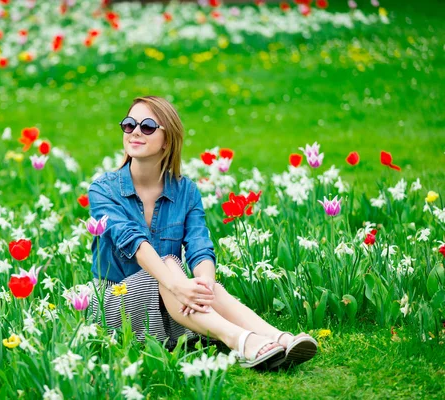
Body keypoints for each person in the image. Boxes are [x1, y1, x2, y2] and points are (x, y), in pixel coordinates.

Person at [87, 96, 317, 369]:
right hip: (114, 300)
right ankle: (241, 340)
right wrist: (177, 284)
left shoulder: (186, 191)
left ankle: (277, 337)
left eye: (147, 126)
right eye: (129, 124)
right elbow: (132, 241)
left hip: (173, 298)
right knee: (169, 264)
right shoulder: (103, 189)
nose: (135, 131)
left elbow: (199, 246)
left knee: (200, 281)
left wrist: (204, 285)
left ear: (168, 140)